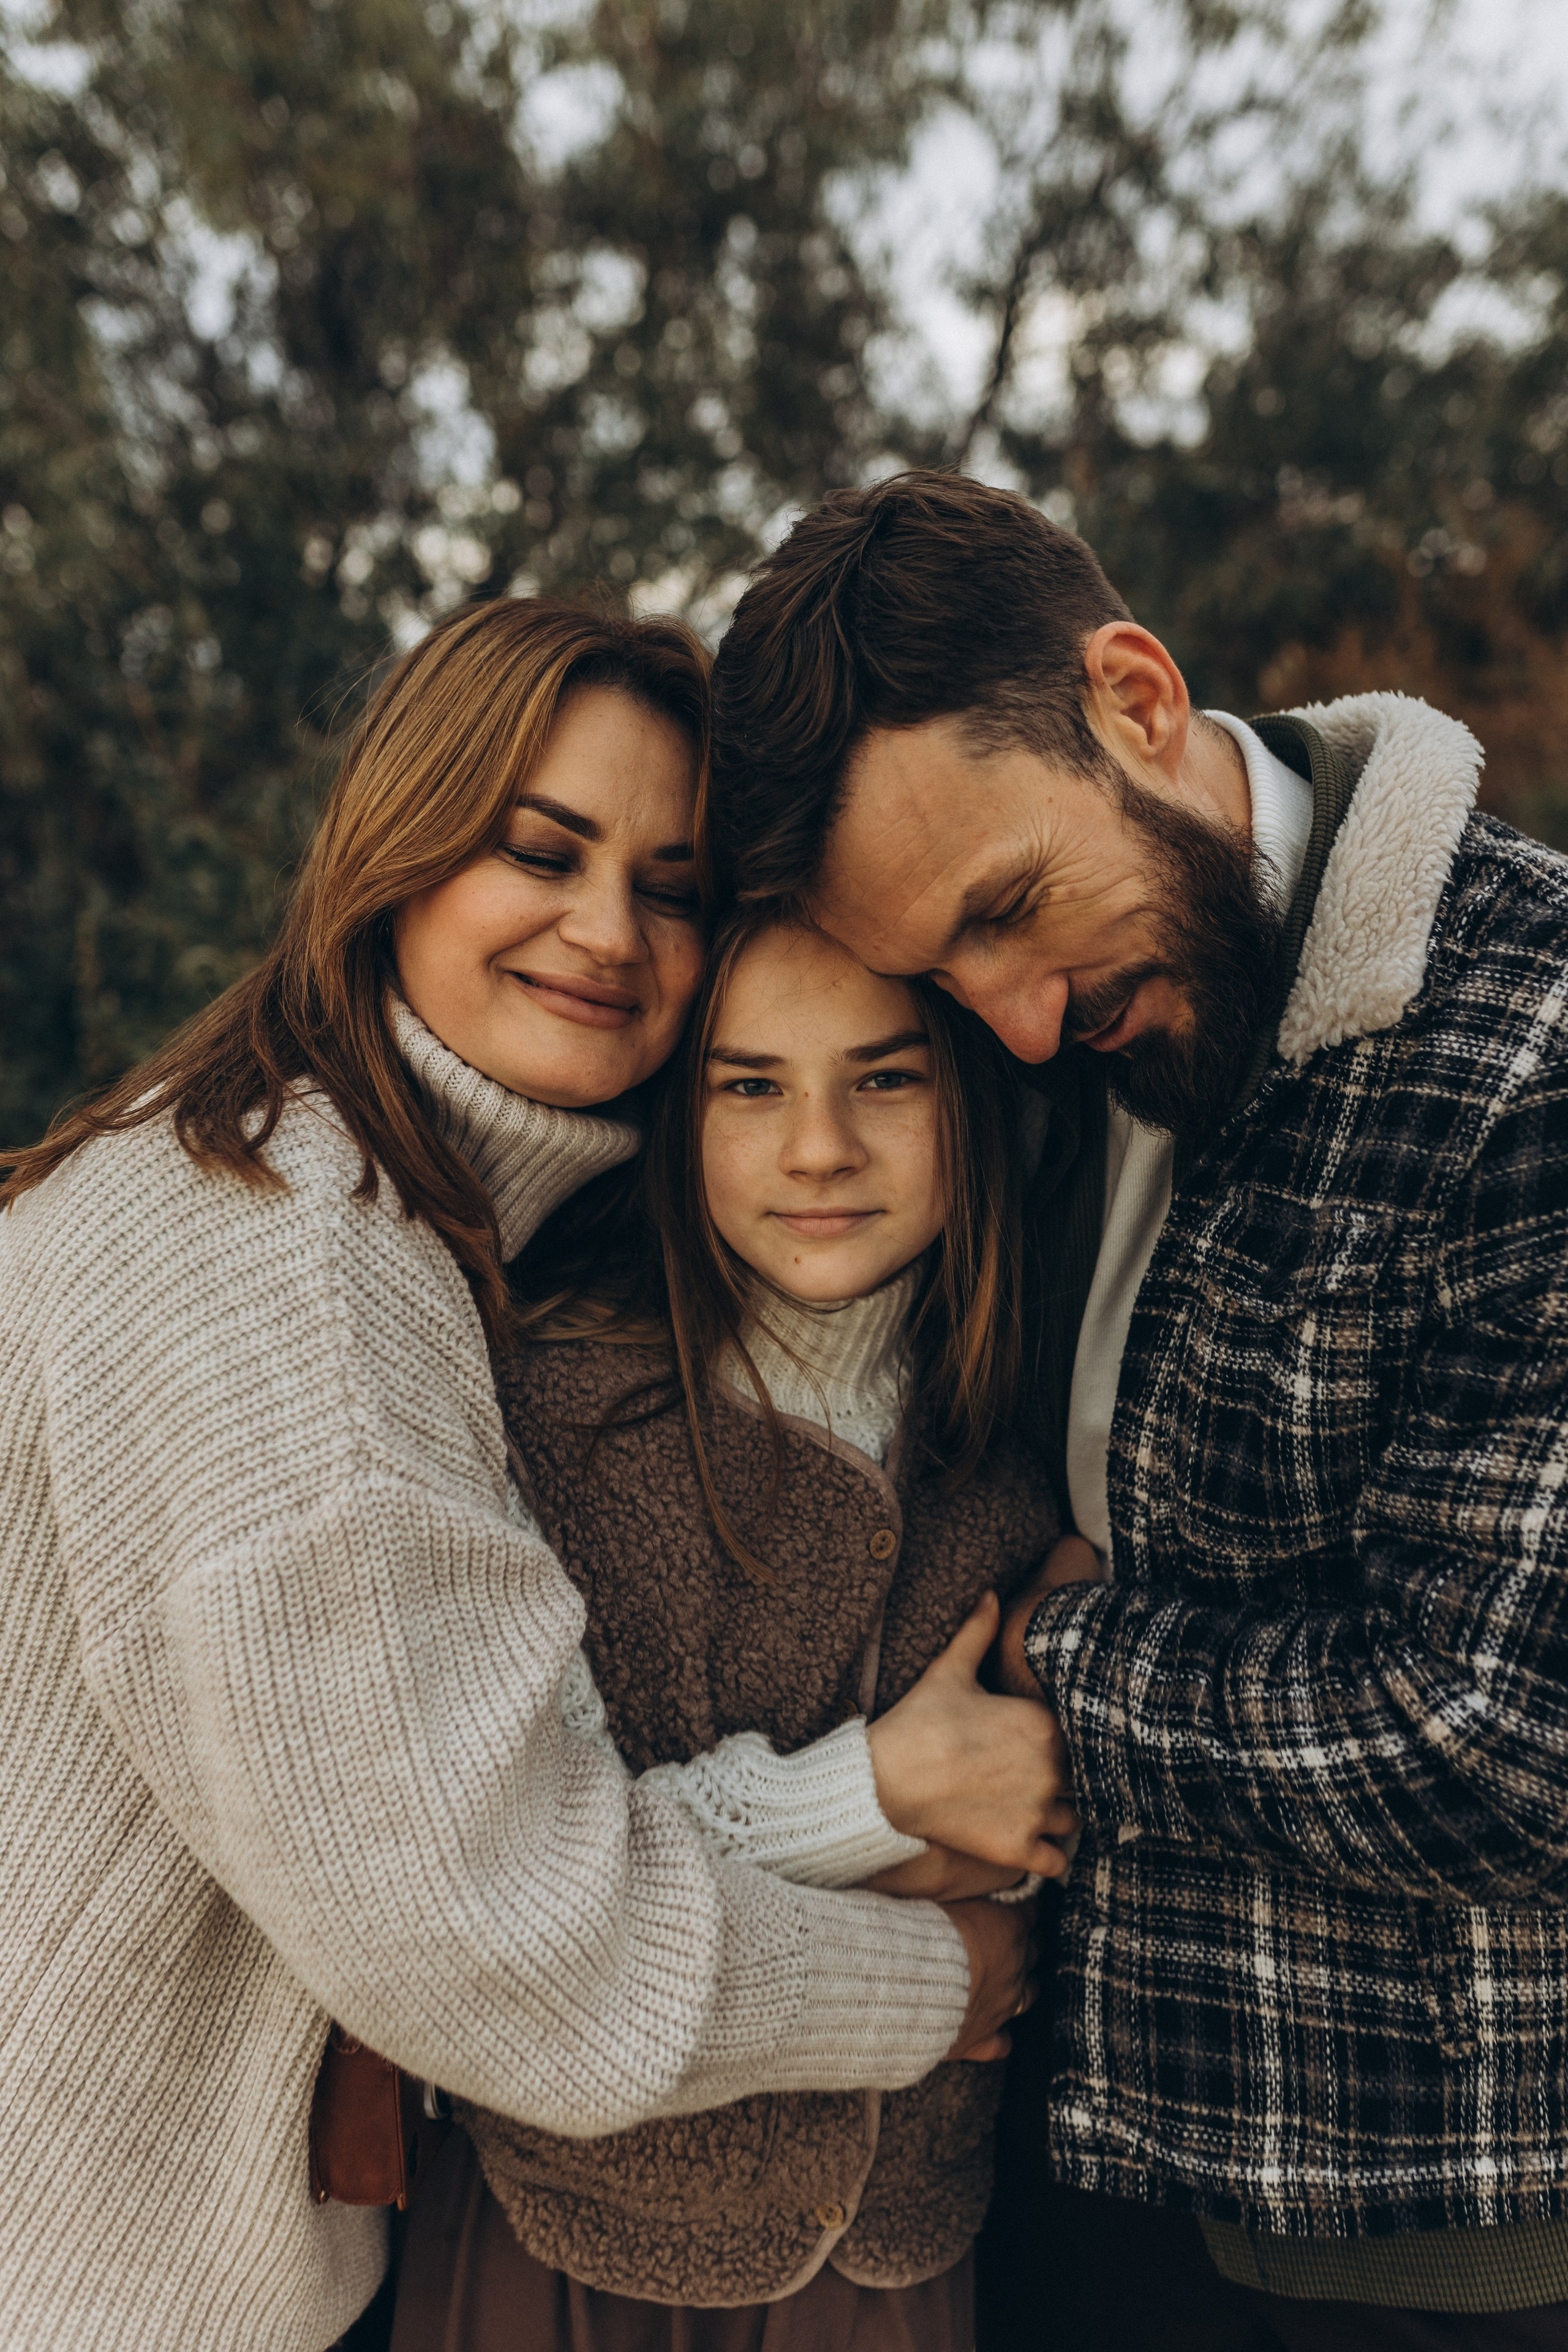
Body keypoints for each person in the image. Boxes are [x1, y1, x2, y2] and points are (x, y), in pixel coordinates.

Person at [0, 597, 1034, 2352]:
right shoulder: (288, 1274)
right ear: (395, 854)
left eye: (671, 886)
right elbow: (508, 1942)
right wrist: (941, 1980)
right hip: (93, 2281)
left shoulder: (339, 1198)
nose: (608, 930)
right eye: (540, 853)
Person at [707, 470, 1568, 2350]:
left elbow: (1505, 1740)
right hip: (1055, 2161)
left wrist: (1058, 1664)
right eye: (944, 973)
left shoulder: (1534, 1041)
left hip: (1406, 2224)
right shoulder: (1015, 1046)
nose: (1017, 1023)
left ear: (1137, 698)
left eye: (1012, 913)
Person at [391, 913, 1069, 2352]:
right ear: (674, 1114)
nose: (818, 1149)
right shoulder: (545, 1417)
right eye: (750, 1086)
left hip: (891, 2246)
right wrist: (880, 1801)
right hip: (572, 2230)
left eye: (884, 1078)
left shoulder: (1023, 1448)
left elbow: (1026, 1835)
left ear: (968, 1097)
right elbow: (523, 1874)